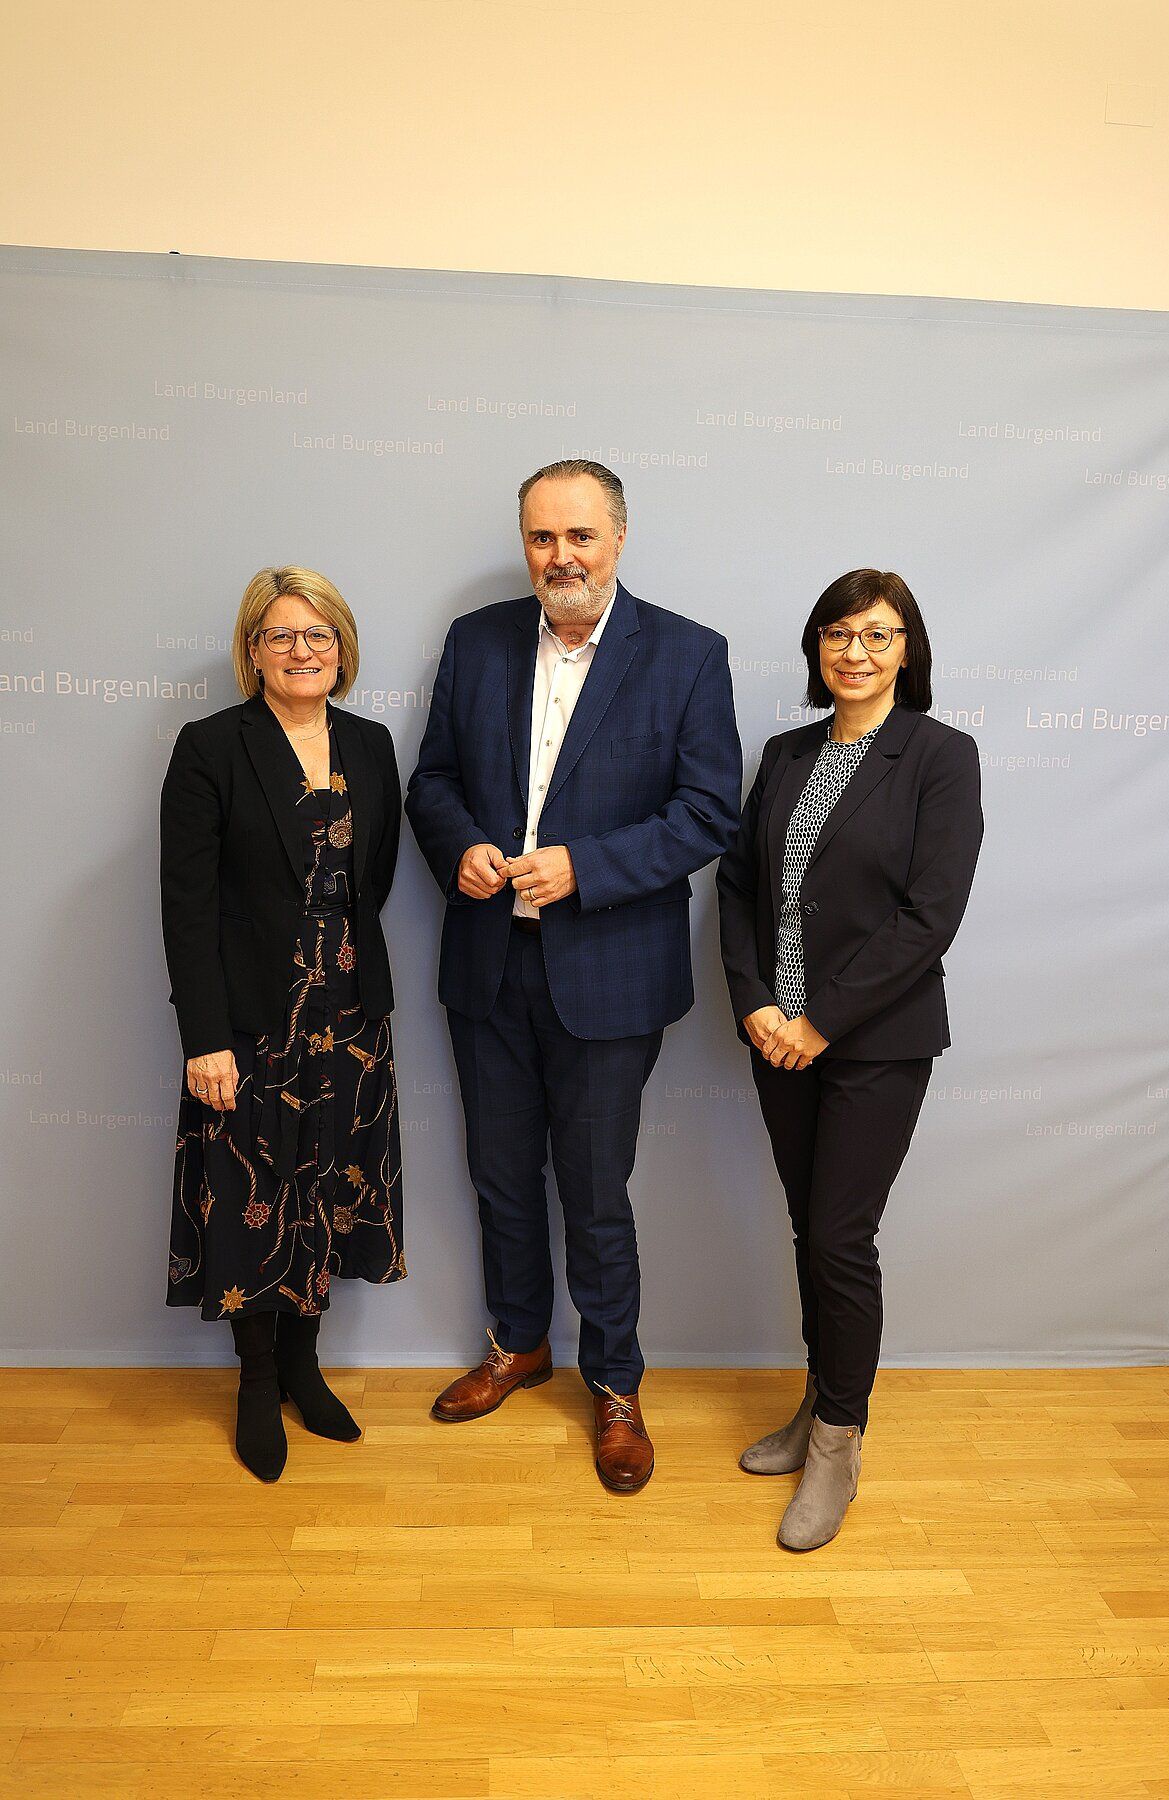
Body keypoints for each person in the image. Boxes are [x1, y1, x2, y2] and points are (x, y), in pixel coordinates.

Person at [405, 459, 742, 1493]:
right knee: (500, 1176)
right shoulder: (477, 643)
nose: (561, 558)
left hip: (609, 975)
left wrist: (586, 867)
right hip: (487, 965)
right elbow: (434, 782)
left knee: (594, 1192)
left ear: (620, 539)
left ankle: (616, 1382)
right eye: (542, 538)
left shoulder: (686, 655)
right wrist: (458, 846)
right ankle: (518, 1342)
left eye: (580, 537)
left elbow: (707, 812)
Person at [716, 569, 983, 1550]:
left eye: (876, 634)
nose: (855, 652)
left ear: (906, 648)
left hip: (872, 1040)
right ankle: (816, 1404)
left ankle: (840, 1440)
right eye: (837, 634)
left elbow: (930, 917)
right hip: (774, 1038)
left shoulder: (940, 758)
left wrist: (819, 1020)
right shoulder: (785, 753)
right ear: (816, 650)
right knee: (806, 1232)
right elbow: (738, 888)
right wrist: (754, 1003)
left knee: (839, 1238)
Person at [160, 567, 406, 1482]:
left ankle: (306, 1366)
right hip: (251, 1023)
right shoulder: (210, 748)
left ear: (341, 648)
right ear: (252, 651)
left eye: (319, 636)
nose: (303, 651)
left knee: (330, 1189)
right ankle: (257, 1381)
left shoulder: (373, 746)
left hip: (348, 1015)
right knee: (253, 1195)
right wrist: (204, 1038)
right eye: (282, 636)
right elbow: (186, 907)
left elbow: (367, 883)